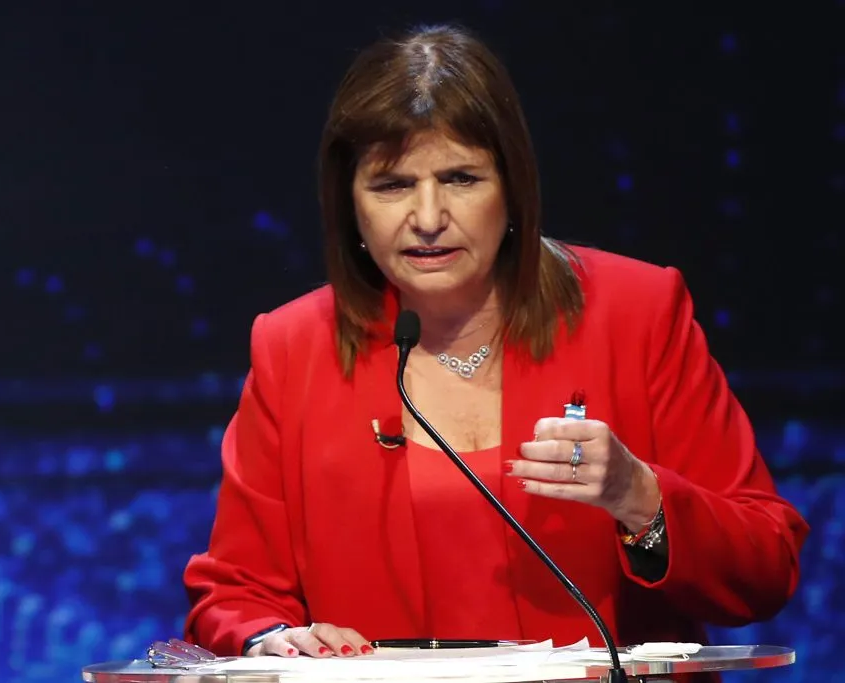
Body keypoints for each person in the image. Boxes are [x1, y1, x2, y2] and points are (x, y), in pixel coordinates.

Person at [182, 23, 809, 665]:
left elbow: (767, 565)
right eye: (392, 185)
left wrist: (637, 496)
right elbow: (234, 591)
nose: (427, 219)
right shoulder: (293, 347)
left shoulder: (638, 312)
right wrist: (269, 638)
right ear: (350, 207)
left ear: (512, 188)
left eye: (460, 178)